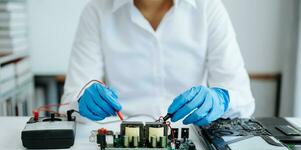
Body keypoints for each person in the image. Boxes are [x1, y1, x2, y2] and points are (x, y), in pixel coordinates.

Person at [61, 0, 255, 126]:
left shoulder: (208, 8)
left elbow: (244, 101)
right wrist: (82, 102)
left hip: (191, 144)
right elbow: (70, 103)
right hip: (122, 141)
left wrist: (220, 99)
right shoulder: (96, 11)